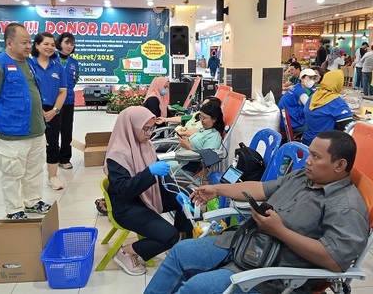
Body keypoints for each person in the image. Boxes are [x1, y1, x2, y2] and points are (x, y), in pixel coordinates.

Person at [144, 130, 369, 294]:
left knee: (195, 288)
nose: (308, 161)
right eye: (310, 154)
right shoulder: (303, 177)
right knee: (180, 252)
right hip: (245, 242)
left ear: (339, 165)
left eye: (316, 158)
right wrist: (217, 189)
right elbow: (262, 188)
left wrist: (279, 231)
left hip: (273, 273)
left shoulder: (346, 205)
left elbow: (335, 261)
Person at [105, 106, 193, 276]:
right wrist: (149, 172)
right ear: (131, 127)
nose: (150, 133)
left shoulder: (146, 145)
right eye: (146, 129)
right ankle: (126, 252)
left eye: (153, 128)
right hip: (127, 206)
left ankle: (181, 246)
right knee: (169, 235)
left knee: (188, 196)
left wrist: (177, 192)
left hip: (146, 195)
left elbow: (161, 177)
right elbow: (124, 190)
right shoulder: (117, 154)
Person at [0, 23, 51, 220]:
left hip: (36, 129)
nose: (29, 46)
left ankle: (33, 202)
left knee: (34, 169)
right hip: (13, 132)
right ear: (9, 43)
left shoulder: (27, 63)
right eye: (24, 42)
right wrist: (4, 111)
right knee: (12, 173)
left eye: (29, 42)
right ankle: (13, 210)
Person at [29, 32, 67, 190]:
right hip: (32, 111)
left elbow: (62, 91)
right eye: (46, 44)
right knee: (32, 146)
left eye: (52, 44)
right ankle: (31, 179)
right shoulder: (28, 65)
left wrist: (55, 110)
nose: (50, 47)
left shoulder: (58, 67)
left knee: (53, 144)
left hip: (53, 110)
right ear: (37, 45)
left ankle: (53, 177)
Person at [302, 70, 353, 146]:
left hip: (306, 141)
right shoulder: (337, 102)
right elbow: (349, 128)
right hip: (325, 147)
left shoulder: (314, 96)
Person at [55, 33, 79, 169]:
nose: (69, 46)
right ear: (60, 43)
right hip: (53, 101)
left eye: (72, 43)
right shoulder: (51, 59)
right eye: (67, 43)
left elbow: (74, 81)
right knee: (53, 131)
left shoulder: (74, 63)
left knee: (67, 130)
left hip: (69, 100)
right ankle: (53, 157)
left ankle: (64, 159)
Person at [156, 96, 222, 137]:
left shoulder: (206, 124)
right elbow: (181, 118)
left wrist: (181, 133)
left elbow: (194, 132)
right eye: (202, 104)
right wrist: (165, 119)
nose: (203, 107)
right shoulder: (198, 114)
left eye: (205, 105)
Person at [278, 68, 318, 133]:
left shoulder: (296, 87)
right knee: (316, 125)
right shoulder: (301, 93)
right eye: (310, 78)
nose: (312, 81)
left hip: (286, 122)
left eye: (313, 79)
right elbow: (311, 108)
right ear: (302, 79)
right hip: (293, 124)